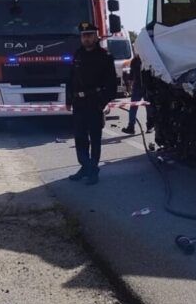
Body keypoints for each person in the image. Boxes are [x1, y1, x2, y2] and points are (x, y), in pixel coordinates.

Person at [66, 22, 117, 185]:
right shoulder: (77, 54)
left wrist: (102, 102)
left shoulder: (105, 56)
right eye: (83, 36)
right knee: (80, 138)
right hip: (79, 103)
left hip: (94, 103)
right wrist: (68, 99)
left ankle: (93, 169)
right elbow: (70, 79)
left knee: (95, 138)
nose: (86, 38)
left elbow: (112, 84)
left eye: (89, 35)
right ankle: (85, 166)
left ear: (96, 36)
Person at [121, 54, 154, 134]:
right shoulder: (136, 60)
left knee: (147, 107)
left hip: (145, 86)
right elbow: (131, 75)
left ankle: (149, 125)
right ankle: (132, 127)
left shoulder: (145, 59)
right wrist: (130, 86)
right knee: (135, 106)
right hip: (139, 86)